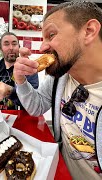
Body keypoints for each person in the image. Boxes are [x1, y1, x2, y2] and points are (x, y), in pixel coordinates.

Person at [13, 1, 102, 179]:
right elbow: (36, 107)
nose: (42, 47)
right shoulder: (61, 76)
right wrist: (20, 80)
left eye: (51, 35)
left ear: (89, 31)